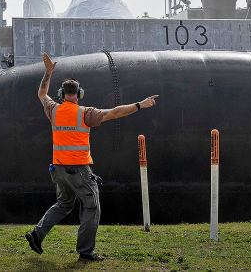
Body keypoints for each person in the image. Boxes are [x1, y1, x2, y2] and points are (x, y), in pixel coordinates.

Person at [25, 52, 158, 262]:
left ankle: (36, 235)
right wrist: (140, 105)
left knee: (64, 204)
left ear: (61, 93)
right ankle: (86, 252)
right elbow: (114, 113)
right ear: (79, 93)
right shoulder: (85, 113)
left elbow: (42, 93)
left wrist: (48, 73)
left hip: (58, 169)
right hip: (79, 170)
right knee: (91, 207)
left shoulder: (53, 110)